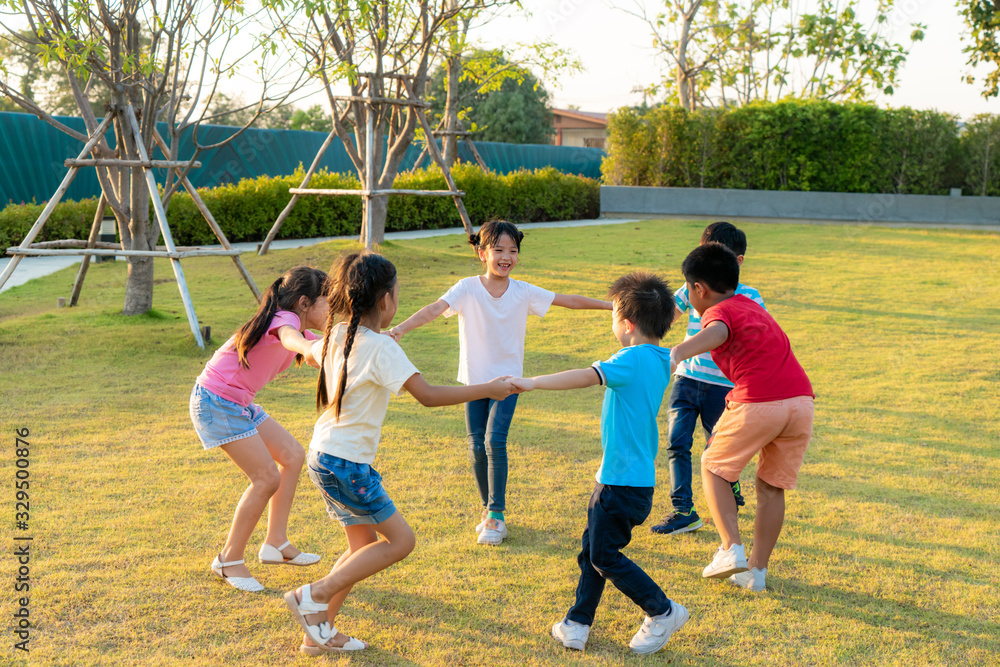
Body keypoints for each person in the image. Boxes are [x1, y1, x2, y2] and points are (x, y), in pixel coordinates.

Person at [284, 251, 517, 655]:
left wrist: (285, 331)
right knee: (401, 542)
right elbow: (427, 396)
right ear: (385, 301)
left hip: (323, 456)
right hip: (347, 463)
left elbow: (305, 347)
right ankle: (314, 594)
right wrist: (489, 388)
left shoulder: (339, 335)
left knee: (361, 550)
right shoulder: (379, 347)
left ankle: (316, 633)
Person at [387, 220, 611, 546]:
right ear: (482, 253)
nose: (506, 257)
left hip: (509, 382)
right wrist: (399, 330)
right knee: (476, 446)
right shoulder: (466, 288)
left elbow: (569, 300)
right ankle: (487, 510)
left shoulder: (522, 291)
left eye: (513, 250)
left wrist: (609, 305)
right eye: (499, 250)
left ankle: (497, 514)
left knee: (494, 441)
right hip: (474, 382)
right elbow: (435, 308)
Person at [512, 271, 688, 655]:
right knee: (593, 550)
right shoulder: (662, 357)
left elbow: (585, 376)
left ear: (627, 324)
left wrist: (531, 382)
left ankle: (662, 610)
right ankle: (576, 623)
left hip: (620, 483)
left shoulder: (630, 359)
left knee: (604, 556)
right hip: (630, 480)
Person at [671, 243, 814, 593]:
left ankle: (730, 549)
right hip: (800, 402)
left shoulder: (716, 311)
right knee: (770, 485)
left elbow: (718, 332)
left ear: (698, 290)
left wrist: (679, 352)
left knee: (712, 466)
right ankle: (756, 573)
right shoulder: (750, 304)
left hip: (759, 401)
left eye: (688, 291)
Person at [190, 266, 328, 593]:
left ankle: (275, 544)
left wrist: (371, 339)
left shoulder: (298, 327)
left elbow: (323, 347)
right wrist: (308, 348)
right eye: (328, 301)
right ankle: (228, 560)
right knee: (266, 478)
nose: (333, 308)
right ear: (305, 303)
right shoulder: (285, 321)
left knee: (292, 456)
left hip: (237, 402)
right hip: (216, 401)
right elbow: (291, 340)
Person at [652, 222, 766, 536]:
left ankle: (730, 482)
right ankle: (683, 510)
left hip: (724, 386)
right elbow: (663, 318)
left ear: (737, 261)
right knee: (677, 442)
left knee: (717, 447)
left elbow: (758, 336)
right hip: (686, 379)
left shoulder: (750, 297)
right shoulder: (693, 287)